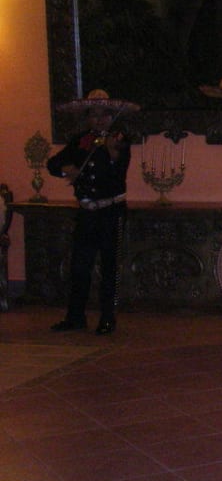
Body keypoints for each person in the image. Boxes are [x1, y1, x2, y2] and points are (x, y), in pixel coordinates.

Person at [47, 89, 139, 335]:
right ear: (88, 118)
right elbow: (52, 164)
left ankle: (107, 318)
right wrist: (68, 169)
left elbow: (117, 167)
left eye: (105, 116)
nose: (99, 120)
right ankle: (75, 316)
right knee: (80, 266)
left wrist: (111, 151)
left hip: (111, 212)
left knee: (110, 267)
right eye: (94, 115)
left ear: (111, 117)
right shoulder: (80, 140)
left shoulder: (119, 139)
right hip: (87, 212)